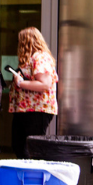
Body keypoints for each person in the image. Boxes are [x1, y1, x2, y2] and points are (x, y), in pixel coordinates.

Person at [10, 27, 58, 158]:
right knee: (19, 145)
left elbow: (44, 84)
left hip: (37, 109)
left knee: (31, 148)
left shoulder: (40, 57)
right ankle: (26, 175)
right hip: (26, 109)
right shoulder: (32, 58)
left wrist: (21, 83)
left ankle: (33, 176)